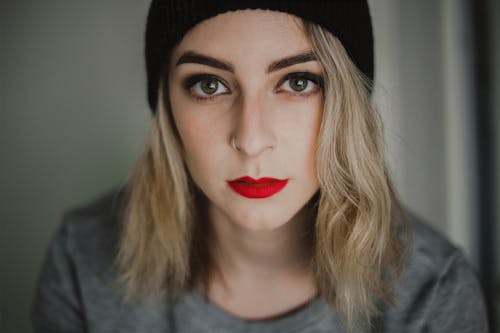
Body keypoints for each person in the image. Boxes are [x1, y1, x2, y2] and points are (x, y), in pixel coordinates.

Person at [32, 0, 489, 332]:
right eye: (209, 85)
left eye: (297, 81)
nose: (251, 140)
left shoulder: (432, 294)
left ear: (349, 103)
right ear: (166, 107)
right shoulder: (83, 262)